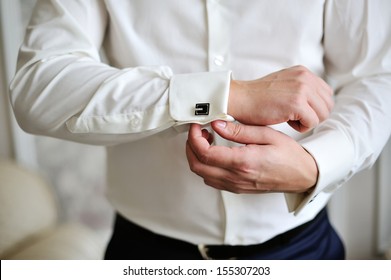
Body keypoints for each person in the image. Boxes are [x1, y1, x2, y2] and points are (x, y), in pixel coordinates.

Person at [9, 0, 391, 260]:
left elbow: (377, 74)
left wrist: (316, 165)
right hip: (145, 253)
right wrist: (226, 95)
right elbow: (39, 85)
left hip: (303, 249)